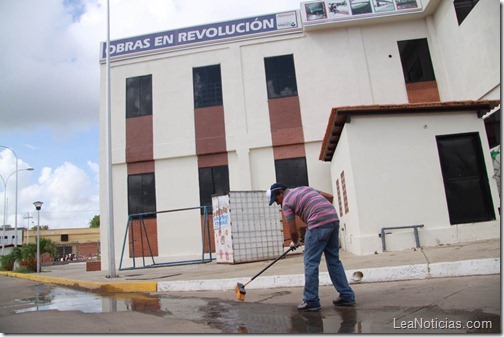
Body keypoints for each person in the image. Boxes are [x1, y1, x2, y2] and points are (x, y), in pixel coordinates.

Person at [266, 182, 355, 312]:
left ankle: (311, 301)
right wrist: (316, 213)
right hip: (333, 220)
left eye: (276, 199)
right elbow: (329, 197)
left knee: (310, 263)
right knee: (334, 260)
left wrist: (295, 242)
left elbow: (292, 230)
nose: (278, 203)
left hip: (317, 224)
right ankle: (347, 296)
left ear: (280, 192)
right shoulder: (304, 188)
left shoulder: (286, 202)